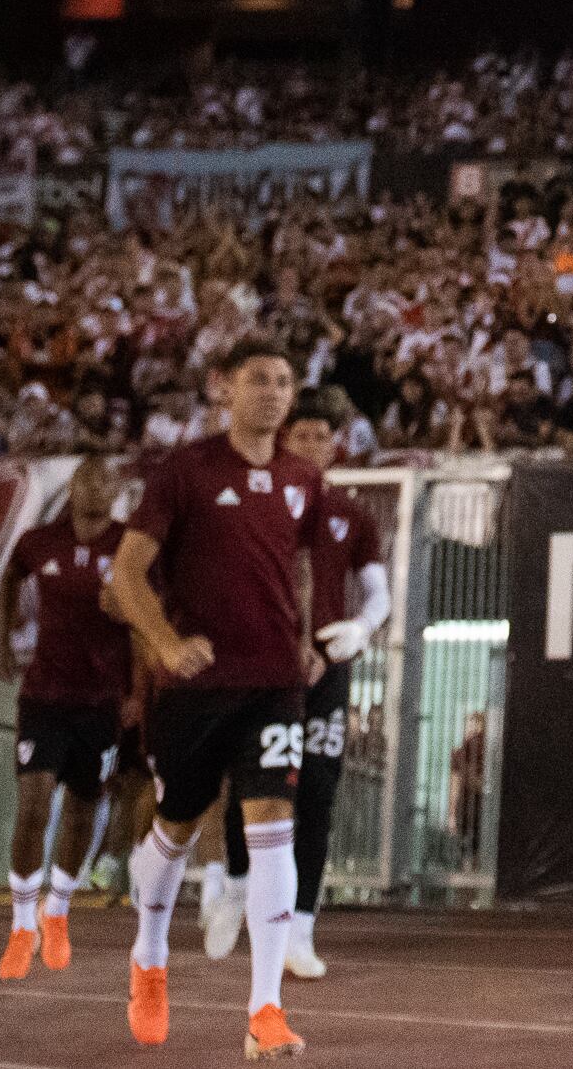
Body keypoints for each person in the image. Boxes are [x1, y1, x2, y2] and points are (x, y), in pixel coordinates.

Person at [104, 340, 329, 1059]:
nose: (272, 390)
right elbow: (125, 575)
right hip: (195, 688)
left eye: (284, 379)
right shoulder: (185, 470)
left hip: (273, 685)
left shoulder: (303, 478)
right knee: (174, 826)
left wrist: (306, 636)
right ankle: (148, 953)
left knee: (272, 822)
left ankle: (265, 1007)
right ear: (225, 388)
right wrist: (167, 643)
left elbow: (298, 565)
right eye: (258, 378)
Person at [203, 391, 390, 980]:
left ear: (337, 447)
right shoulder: (256, 503)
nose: (310, 446)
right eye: (300, 435)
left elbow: (380, 592)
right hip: (262, 662)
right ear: (283, 440)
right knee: (252, 783)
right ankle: (234, 883)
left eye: (321, 437)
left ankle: (300, 930)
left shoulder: (352, 516)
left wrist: (361, 628)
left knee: (317, 795)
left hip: (328, 671)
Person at [0, 453, 131, 979]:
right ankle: (22, 922)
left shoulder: (129, 544)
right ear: (72, 486)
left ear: (119, 490)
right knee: (33, 803)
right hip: (44, 695)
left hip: (102, 700)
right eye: (89, 479)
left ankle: (59, 907)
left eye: (108, 480)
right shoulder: (38, 542)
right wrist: (4, 641)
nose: (98, 489)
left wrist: (138, 688)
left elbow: (151, 611)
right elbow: (9, 580)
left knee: (84, 807)